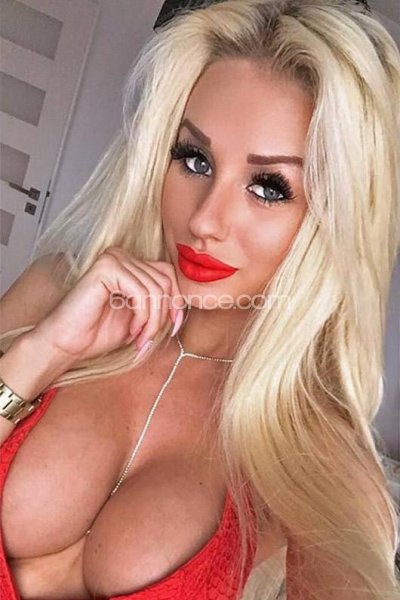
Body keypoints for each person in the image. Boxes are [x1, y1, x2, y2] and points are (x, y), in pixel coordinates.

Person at [0, 0, 399, 598]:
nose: (206, 219)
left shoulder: (317, 455)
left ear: (333, 223)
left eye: (269, 187)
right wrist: (41, 354)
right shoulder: (55, 294)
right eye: (195, 158)